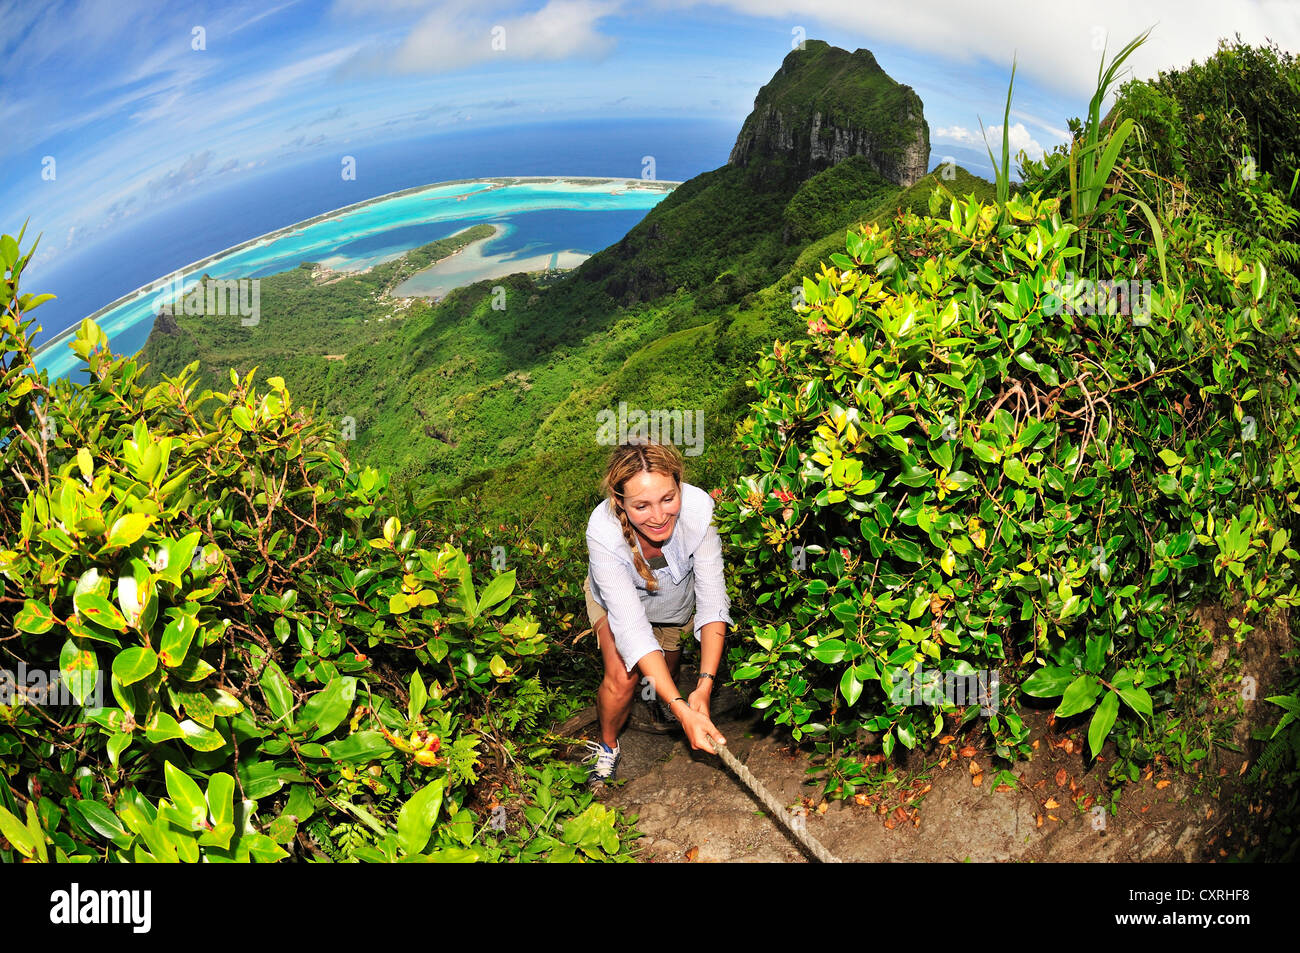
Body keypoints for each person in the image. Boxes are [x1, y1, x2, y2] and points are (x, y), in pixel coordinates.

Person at [581, 439, 732, 784]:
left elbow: (713, 602)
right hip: (616, 599)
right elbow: (632, 630)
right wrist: (684, 710)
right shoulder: (603, 532)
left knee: (665, 665)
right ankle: (607, 746)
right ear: (619, 501)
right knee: (622, 675)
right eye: (642, 506)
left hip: (673, 597)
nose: (659, 516)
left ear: (680, 484)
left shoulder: (699, 511)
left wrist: (704, 687)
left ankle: (665, 700)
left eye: (668, 498)